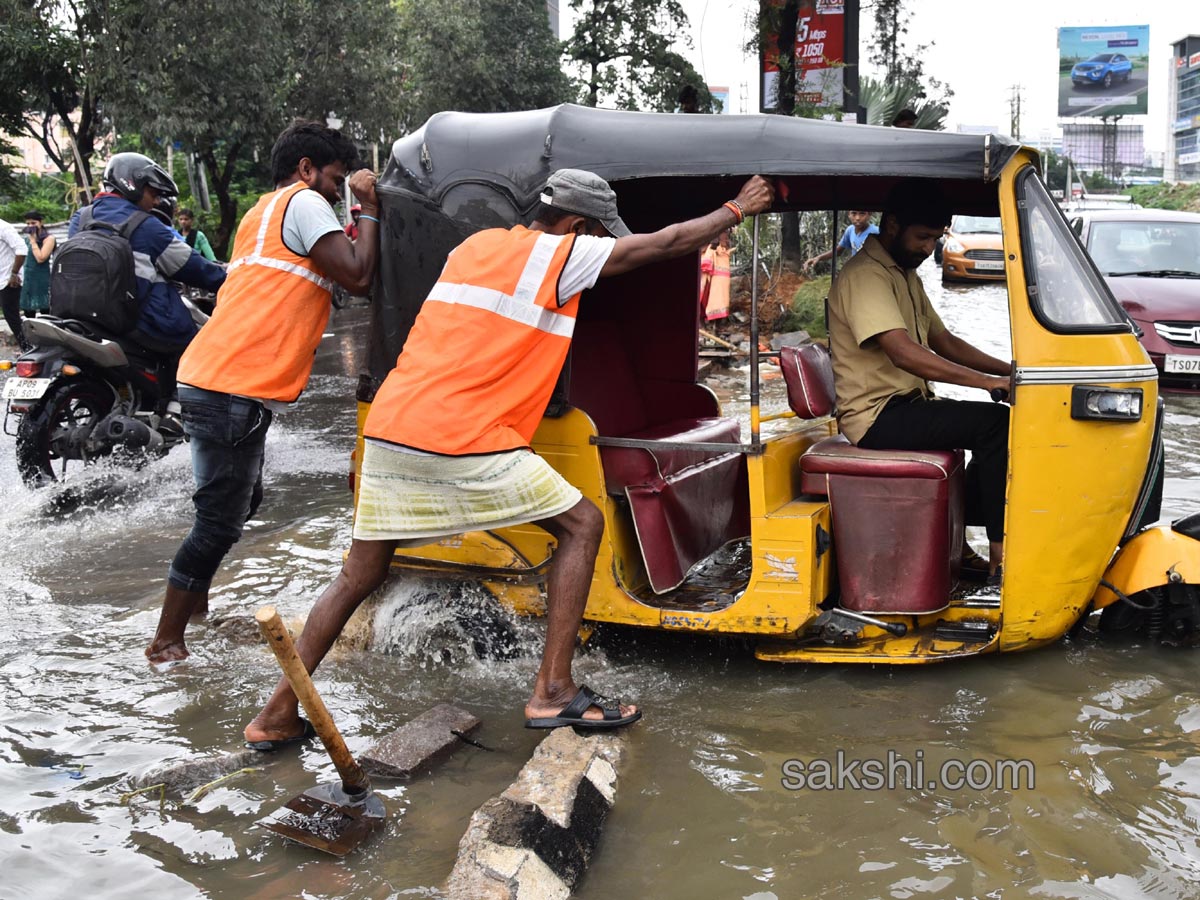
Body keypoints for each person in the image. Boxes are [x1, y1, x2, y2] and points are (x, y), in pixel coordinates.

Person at [242, 169, 774, 745]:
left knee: (358, 574)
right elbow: (664, 244)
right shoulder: (560, 254)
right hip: (463, 433)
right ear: (576, 226)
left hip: (394, 426)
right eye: (598, 234)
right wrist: (737, 209)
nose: (599, 245)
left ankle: (274, 714)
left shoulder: (476, 246)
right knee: (582, 524)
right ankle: (553, 691)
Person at [145, 121, 380, 667]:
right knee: (219, 520)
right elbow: (360, 276)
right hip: (230, 383)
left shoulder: (260, 212)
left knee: (235, 501)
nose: (337, 190)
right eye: (336, 180)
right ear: (305, 170)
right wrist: (367, 207)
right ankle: (166, 643)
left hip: (215, 375)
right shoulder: (303, 203)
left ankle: (195, 610)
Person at [826, 179, 1012, 579]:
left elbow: (943, 340)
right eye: (923, 237)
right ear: (892, 224)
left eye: (935, 238)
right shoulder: (867, 276)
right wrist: (984, 383)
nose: (930, 249)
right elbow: (903, 351)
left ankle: (959, 536)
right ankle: (1000, 554)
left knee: (993, 428)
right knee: (996, 426)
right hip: (875, 418)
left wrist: (1010, 370)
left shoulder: (904, 274)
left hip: (907, 406)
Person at [68, 153, 226, 418]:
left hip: (79, 313)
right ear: (132, 185)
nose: (156, 200)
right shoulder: (148, 226)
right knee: (190, 340)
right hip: (130, 319)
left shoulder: (80, 218)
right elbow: (192, 267)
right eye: (152, 192)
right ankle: (174, 411)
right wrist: (228, 279)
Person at [804, 210, 879, 271]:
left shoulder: (876, 232)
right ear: (849, 214)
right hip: (856, 271)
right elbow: (838, 251)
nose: (857, 218)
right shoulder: (850, 230)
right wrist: (818, 258)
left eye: (862, 213)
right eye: (854, 213)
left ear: (869, 214)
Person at [19, 211, 54, 318]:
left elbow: (41, 258)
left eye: (33, 223)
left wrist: (33, 241)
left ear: (40, 222)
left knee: (45, 308)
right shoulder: (26, 239)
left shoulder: (49, 239)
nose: (30, 226)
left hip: (42, 278)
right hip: (28, 277)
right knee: (28, 309)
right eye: (28, 224)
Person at [0, 219, 27, 349]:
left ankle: (27, 347)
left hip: (9, 280)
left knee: (11, 316)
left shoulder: (4, 227)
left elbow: (22, 249)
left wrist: (14, 274)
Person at [700, 228, 732, 320]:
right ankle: (702, 320)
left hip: (720, 261)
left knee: (719, 293)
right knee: (705, 291)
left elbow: (726, 244)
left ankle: (714, 322)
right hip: (707, 260)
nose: (726, 235)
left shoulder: (725, 246)